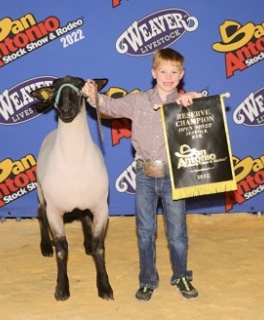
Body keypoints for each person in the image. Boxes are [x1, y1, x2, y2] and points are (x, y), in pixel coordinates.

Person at [82, 47, 203, 302]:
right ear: (153, 73)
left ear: (182, 74)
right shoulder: (138, 101)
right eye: (163, 71)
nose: (168, 76)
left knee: (178, 232)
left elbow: (202, 112)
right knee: (146, 231)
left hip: (173, 174)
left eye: (174, 72)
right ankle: (148, 280)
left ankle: (182, 275)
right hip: (145, 174)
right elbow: (110, 106)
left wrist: (193, 98)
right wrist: (93, 95)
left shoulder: (184, 102)